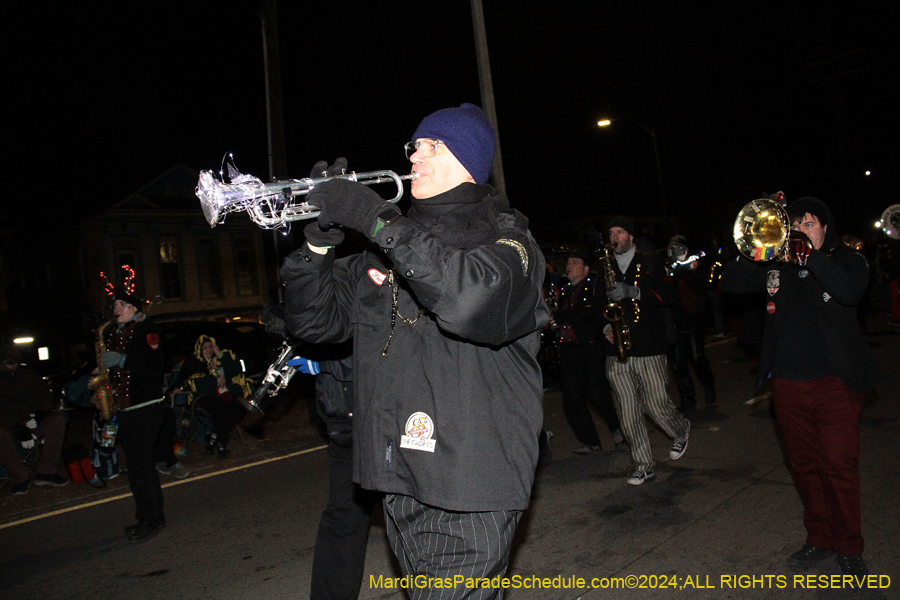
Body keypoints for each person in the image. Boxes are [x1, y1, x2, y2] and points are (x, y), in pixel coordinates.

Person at [282, 103, 549, 599]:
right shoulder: (387, 247)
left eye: (434, 145)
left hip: (469, 484)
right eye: (414, 145)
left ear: (470, 161)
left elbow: (469, 299)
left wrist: (372, 215)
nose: (415, 154)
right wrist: (318, 242)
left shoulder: (509, 241)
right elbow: (314, 321)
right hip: (399, 478)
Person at [720, 196, 881, 577]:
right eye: (795, 226)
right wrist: (759, 243)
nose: (801, 232)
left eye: (809, 224)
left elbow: (849, 291)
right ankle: (819, 538)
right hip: (788, 382)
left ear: (825, 228)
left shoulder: (846, 259)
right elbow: (731, 281)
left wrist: (811, 256)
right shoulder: (777, 264)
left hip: (835, 382)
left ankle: (848, 546)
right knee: (805, 467)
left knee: (838, 467)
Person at [599, 216, 691, 485]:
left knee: (656, 404)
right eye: (611, 232)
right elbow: (595, 304)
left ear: (630, 236)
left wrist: (633, 291)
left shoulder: (651, 260)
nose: (614, 237)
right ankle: (642, 463)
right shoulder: (606, 265)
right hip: (616, 348)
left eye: (619, 232)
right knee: (627, 411)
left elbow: (667, 297)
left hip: (649, 344)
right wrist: (603, 325)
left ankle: (680, 428)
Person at [101, 284, 166, 542]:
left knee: (141, 465)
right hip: (126, 408)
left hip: (146, 406)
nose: (115, 310)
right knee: (136, 465)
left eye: (120, 305)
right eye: (114, 305)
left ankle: (152, 518)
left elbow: (154, 365)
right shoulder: (116, 334)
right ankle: (147, 517)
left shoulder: (147, 330)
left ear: (133, 309)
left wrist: (122, 361)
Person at [555, 251, 622, 454]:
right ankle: (590, 441)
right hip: (569, 349)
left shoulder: (592, 287)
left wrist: (561, 316)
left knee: (596, 393)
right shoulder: (564, 290)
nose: (569, 266)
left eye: (575, 262)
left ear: (585, 269)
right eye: (568, 262)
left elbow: (588, 314)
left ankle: (616, 426)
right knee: (572, 397)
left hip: (590, 348)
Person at [0, 345, 69, 494]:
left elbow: (45, 397)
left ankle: (47, 472)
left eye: (15, 362)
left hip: (33, 421)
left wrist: (39, 415)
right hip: (10, 426)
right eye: (9, 363)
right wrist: (19, 425)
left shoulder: (28, 376)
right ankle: (20, 477)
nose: (14, 366)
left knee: (57, 420)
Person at [665, 235, 717, 411]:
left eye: (677, 249)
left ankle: (708, 384)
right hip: (676, 320)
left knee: (697, 357)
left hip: (694, 318)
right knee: (678, 362)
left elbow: (701, 285)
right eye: (671, 249)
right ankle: (688, 398)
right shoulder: (669, 268)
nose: (674, 253)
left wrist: (683, 272)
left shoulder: (696, 266)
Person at [186, 335, 250, 459]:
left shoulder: (221, 359)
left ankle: (214, 436)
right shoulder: (195, 362)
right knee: (221, 408)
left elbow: (236, 370)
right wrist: (215, 381)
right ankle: (222, 443)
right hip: (205, 395)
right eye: (204, 347)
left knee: (241, 406)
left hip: (225, 393)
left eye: (210, 346)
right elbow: (197, 384)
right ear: (199, 349)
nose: (208, 350)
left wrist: (220, 355)